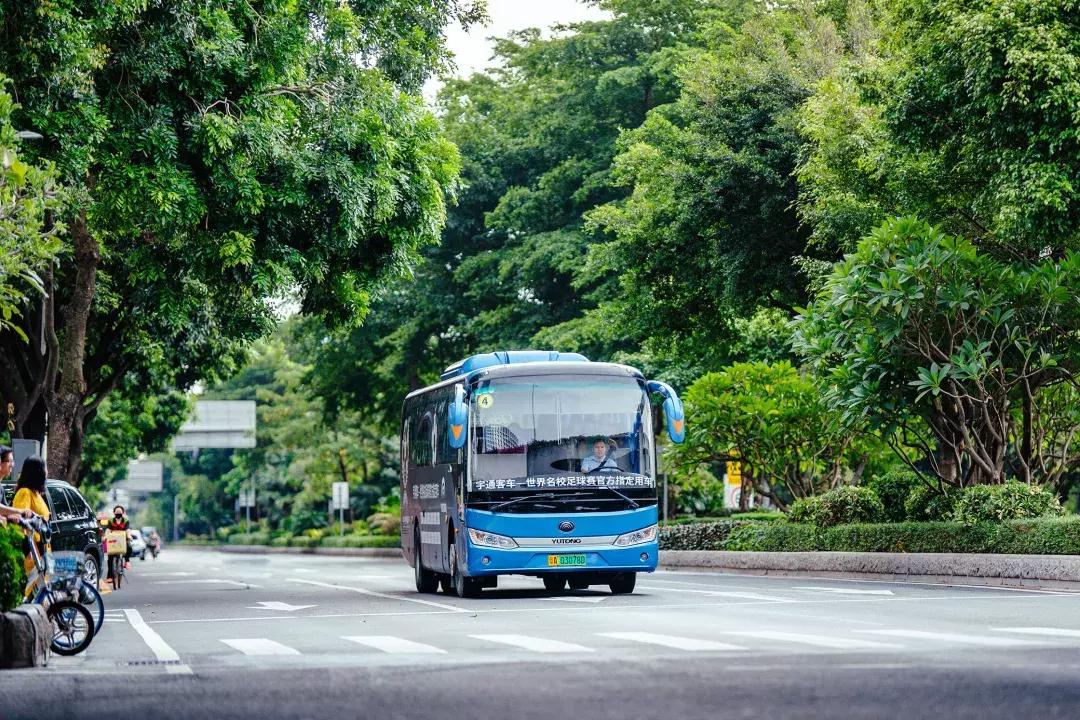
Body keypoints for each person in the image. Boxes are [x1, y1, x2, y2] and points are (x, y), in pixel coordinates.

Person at [11, 456, 49, 592]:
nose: (47, 471)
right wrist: (27, 550)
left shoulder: (37, 493)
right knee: (31, 590)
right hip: (31, 550)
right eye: (45, 468)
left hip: (41, 549)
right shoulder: (25, 492)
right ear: (38, 471)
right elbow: (20, 522)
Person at [107, 505, 133, 569]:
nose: (118, 513)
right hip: (114, 540)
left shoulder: (126, 521)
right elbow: (108, 530)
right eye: (117, 512)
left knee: (129, 547)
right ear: (114, 513)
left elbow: (127, 530)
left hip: (123, 540)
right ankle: (110, 576)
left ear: (123, 513)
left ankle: (127, 561)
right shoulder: (111, 521)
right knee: (110, 556)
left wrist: (129, 537)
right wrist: (105, 537)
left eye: (120, 512)